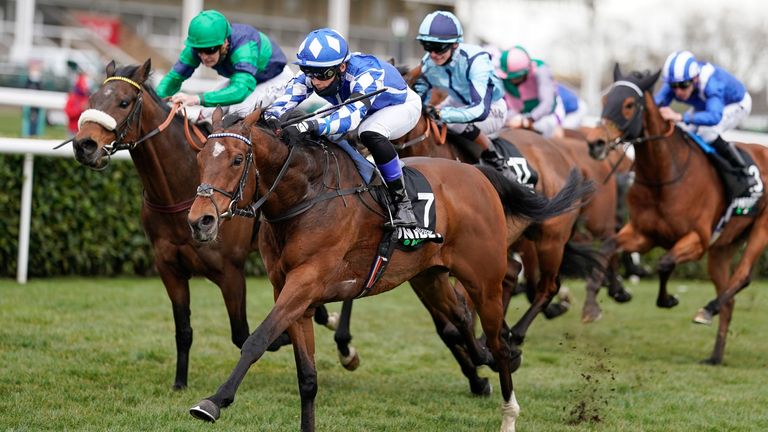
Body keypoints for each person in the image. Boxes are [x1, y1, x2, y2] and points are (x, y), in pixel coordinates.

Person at [263, 28, 420, 228]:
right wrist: (272, 117)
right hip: (356, 106)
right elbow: (285, 100)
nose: (316, 81)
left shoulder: (366, 73)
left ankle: (402, 202)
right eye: (308, 72)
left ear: (343, 66)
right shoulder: (315, 73)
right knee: (315, 123)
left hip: (399, 106)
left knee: (369, 132)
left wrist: (308, 125)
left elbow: (350, 119)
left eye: (323, 74)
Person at [412, 11, 512, 177]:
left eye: (438, 48)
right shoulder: (429, 62)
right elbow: (420, 95)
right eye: (427, 46)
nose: (433, 54)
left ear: (455, 44)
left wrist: (442, 113)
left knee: (450, 122)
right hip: (456, 101)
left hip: (491, 108)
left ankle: (495, 158)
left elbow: (479, 110)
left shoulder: (476, 60)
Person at [156, 10, 292, 121]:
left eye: (210, 50)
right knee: (205, 114)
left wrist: (196, 98)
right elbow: (174, 77)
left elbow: (240, 90)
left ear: (225, 43)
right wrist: (154, 99)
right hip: (250, 79)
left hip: (277, 78)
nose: (203, 56)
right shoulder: (200, 45)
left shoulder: (244, 47)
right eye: (199, 51)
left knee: (238, 111)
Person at [655, 50, 755, 184]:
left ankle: (742, 172)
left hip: (735, 104)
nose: (678, 91)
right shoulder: (677, 81)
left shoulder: (711, 83)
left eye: (684, 85)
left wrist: (680, 116)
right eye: (673, 86)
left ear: (695, 78)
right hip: (707, 106)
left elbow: (714, 117)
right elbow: (654, 107)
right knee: (683, 131)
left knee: (707, 133)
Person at [494, 45, 565, 138]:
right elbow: (513, 109)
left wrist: (528, 119)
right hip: (523, 114)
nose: (511, 81)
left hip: (548, 114)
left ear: (526, 72)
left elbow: (547, 104)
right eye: (509, 78)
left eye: (515, 77)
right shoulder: (504, 78)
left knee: (543, 127)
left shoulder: (541, 70)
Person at [64, 63, 91, 136]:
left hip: (86, 130)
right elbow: (69, 112)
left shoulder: (88, 98)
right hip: (73, 130)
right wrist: (80, 109)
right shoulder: (72, 97)